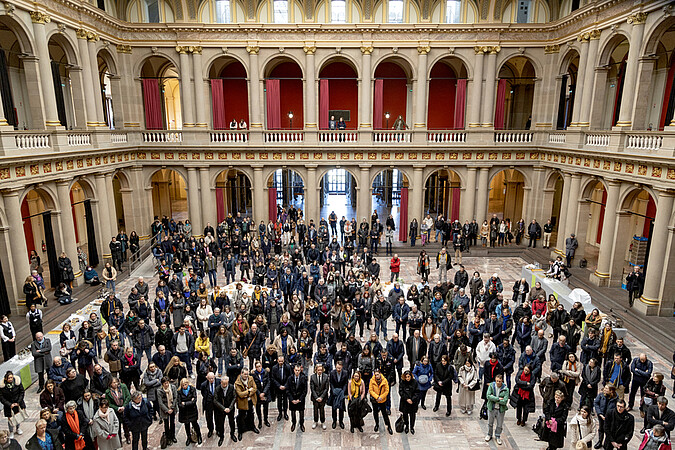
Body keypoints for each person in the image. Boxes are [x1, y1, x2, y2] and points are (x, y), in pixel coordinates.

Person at [234, 368, 259, 440]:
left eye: (247, 374)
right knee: (241, 416)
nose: (246, 376)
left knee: (251, 413)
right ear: (241, 374)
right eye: (245, 374)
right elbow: (240, 394)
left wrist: (247, 394)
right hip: (242, 402)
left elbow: (254, 388)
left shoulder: (250, 378)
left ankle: (252, 426)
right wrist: (248, 391)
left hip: (250, 400)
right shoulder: (237, 382)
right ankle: (240, 431)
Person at [485, 374, 509, 445]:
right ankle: (489, 434)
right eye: (497, 381)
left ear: (502, 381)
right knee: (490, 423)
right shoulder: (491, 386)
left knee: (499, 424)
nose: (498, 383)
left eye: (499, 381)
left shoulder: (506, 389)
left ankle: (497, 436)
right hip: (491, 408)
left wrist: (493, 398)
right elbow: (488, 396)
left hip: (500, 409)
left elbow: (504, 401)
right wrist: (498, 399)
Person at [177, 378, 202, 445]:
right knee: (186, 425)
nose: (184, 386)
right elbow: (179, 403)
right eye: (183, 385)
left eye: (185, 384)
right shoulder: (179, 392)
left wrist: (185, 403)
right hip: (184, 412)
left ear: (188, 383)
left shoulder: (192, 389)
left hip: (192, 411)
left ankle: (199, 436)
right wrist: (189, 402)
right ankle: (188, 437)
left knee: (195, 424)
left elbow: (194, 401)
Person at [213, 376, 238, 444]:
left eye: (226, 384)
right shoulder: (217, 389)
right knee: (221, 423)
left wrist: (230, 408)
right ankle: (221, 436)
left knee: (232, 422)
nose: (225, 385)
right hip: (221, 409)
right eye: (223, 384)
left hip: (230, 409)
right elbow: (215, 400)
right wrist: (223, 409)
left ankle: (232, 434)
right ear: (221, 382)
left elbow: (234, 397)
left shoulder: (231, 387)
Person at [369, 370, 393, 434]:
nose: (376, 376)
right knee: (375, 413)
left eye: (377, 374)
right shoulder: (372, 380)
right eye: (375, 375)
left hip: (382, 400)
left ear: (380, 374)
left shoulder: (384, 381)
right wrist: (377, 397)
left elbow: (386, 390)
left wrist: (381, 397)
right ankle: (377, 424)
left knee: (384, 413)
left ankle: (388, 425)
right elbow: (371, 390)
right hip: (375, 400)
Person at [286, 364, 308, 432]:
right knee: (293, 412)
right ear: (294, 370)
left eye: (298, 370)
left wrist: (300, 399)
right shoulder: (290, 378)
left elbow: (305, 390)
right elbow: (288, 390)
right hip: (292, 398)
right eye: (296, 370)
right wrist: (291, 399)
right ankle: (293, 423)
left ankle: (301, 424)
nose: (297, 372)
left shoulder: (303, 378)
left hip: (300, 399)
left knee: (301, 413)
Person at [157, 377, 177, 446]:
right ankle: (168, 438)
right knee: (166, 424)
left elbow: (175, 398)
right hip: (165, 410)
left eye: (167, 383)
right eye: (165, 383)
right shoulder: (159, 390)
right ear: (162, 384)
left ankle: (173, 436)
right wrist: (167, 410)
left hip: (172, 408)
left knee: (172, 423)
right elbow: (160, 403)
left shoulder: (173, 387)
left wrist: (172, 408)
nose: (167, 384)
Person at [398, 369, 420, 434]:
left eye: (408, 376)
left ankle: (412, 427)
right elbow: (401, 391)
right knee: (405, 415)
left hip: (413, 402)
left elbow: (417, 392)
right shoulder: (402, 382)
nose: (407, 378)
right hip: (405, 402)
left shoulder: (415, 382)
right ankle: (407, 426)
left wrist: (412, 399)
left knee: (412, 415)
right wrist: (407, 399)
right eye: (406, 377)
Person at [310, 363, 329, 430]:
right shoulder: (312, 377)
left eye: (321, 370)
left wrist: (321, 397)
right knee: (315, 410)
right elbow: (312, 389)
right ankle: (315, 421)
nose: (320, 371)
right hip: (315, 397)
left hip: (322, 397)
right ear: (316, 370)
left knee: (322, 410)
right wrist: (316, 397)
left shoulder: (326, 376)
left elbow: (326, 388)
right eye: (318, 370)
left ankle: (323, 422)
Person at [199, 372, 218, 439]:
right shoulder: (204, 385)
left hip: (217, 402)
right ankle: (210, 430)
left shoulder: (219, 382)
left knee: (217, 417)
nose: (211, 380)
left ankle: (218, 429)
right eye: (210, 379)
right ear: (207, 378)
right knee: (209, 418)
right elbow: (203, 393)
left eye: (212, 378)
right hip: (208, 403)